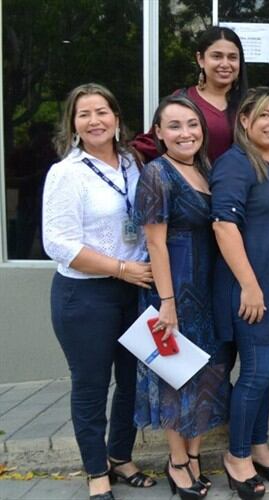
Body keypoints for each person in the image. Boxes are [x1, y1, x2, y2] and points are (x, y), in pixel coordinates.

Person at [43, 83, 156, 500]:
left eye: (102, 112)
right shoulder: (67, 173)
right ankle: (95, 472)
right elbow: (59, 244)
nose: (95, 121)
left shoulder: (131, 162)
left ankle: (120, 457)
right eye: (84, 114)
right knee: (91, 385)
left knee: (130, 381)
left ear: (116, 118)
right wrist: (122, 268)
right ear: (73, 124)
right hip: (85, 297)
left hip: (133, 290)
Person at [133, 95, 231, 499]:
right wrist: (167, 301)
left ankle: (194, 456)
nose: (185, 133)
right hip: (173, 288)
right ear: (158, 133)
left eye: (192, 124)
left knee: (206, 373)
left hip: (207, 287)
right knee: (176, 375)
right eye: (174, 126)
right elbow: (154, 243)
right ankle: (176, 463)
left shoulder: (205, 169)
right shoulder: (157, 174)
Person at [211, 87, 269, 500]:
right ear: (244, 121)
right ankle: (236, 457)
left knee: (265, 376)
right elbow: (223, 226)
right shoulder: (235, 163)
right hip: (250, 290)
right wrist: (249, 286)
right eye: (264, 115)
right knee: (254, 374)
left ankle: (259, 447)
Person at [133, 26, 248, 163]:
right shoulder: (184, 99)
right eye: (217, 56)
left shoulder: (250, 104)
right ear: (200, 59)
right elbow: (152, 144)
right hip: (191, 182)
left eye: (232, 57)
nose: (225, 64)